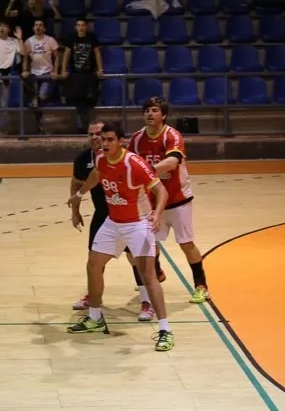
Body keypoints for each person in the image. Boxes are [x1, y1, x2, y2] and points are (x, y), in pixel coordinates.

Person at [66, 122, 175, 352]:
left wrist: (157, 213)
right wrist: (78, 194)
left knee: (148, 275)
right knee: (93, 265)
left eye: (109, 140)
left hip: (138, 224)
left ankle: (165, 329)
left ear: (121, 142)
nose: (104, 144)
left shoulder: (134, 164)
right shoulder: (100, 159)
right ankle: (95, 318)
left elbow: (161, 190)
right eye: (102, 139)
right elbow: (96, 175)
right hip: (114, 222)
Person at [130, 97, 210, 304]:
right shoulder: (137, 138)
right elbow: (129, 162)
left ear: (163, 115)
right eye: (146, 110)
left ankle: (201, 285)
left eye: (154, 110)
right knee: (150, 242)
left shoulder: (172, 136)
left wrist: (146, 172)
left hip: (178, 198)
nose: (149, 114)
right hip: (152, 201)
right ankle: (157, 272)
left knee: (186, 243)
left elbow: (173, 162)